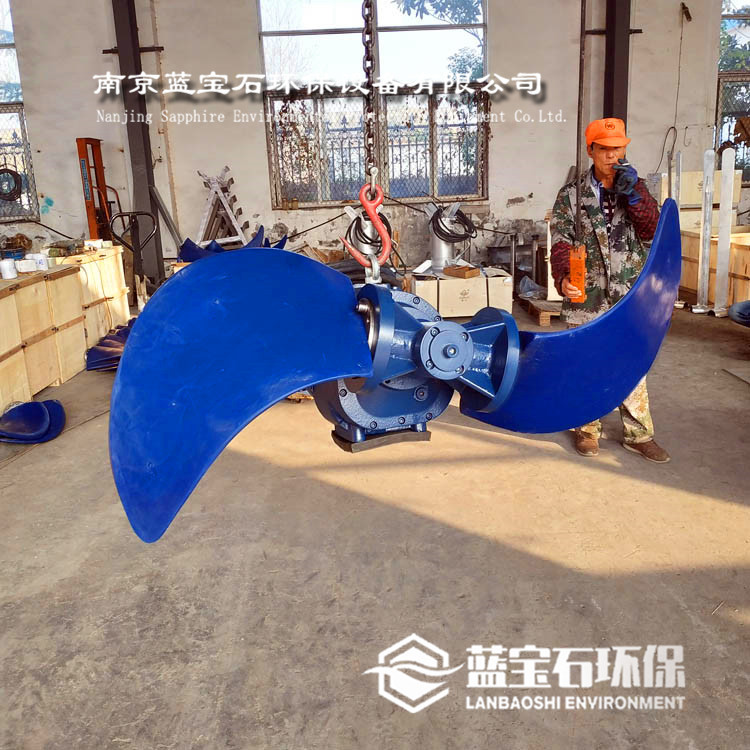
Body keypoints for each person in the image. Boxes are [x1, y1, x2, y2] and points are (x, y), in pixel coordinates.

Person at [549, 117, 670, 463]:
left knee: (632, 362)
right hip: (586, 294)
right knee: (585, 361)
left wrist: (634, 195)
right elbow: (561, 239)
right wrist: (563, 277)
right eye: (604, 149)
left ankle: (639, 435)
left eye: (618, 149)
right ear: (591, 150)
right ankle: (587, 429)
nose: (612, 156)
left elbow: (652, 230)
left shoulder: (636, 188)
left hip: (629, 294)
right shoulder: (571, 195)